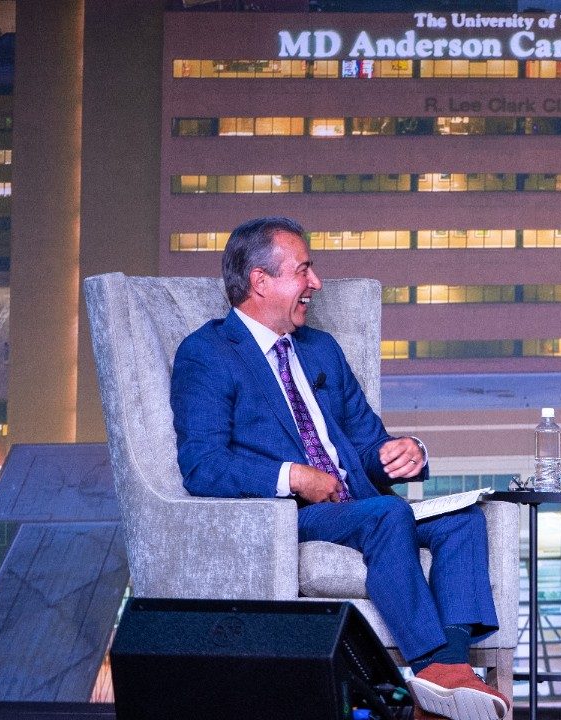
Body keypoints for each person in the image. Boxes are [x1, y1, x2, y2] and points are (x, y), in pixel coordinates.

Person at [170, 217, 508, 720]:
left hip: (358, 503)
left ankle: (449, 671)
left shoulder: (320, 348)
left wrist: (402, 452)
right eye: (304, 270)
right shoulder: (208, 353)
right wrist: (293, 476)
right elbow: (203, 465)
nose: (316, 283)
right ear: (260, 281)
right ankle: (435, 667)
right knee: (386, 517)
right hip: (288, 515)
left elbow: (370, 443)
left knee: (463, 520)